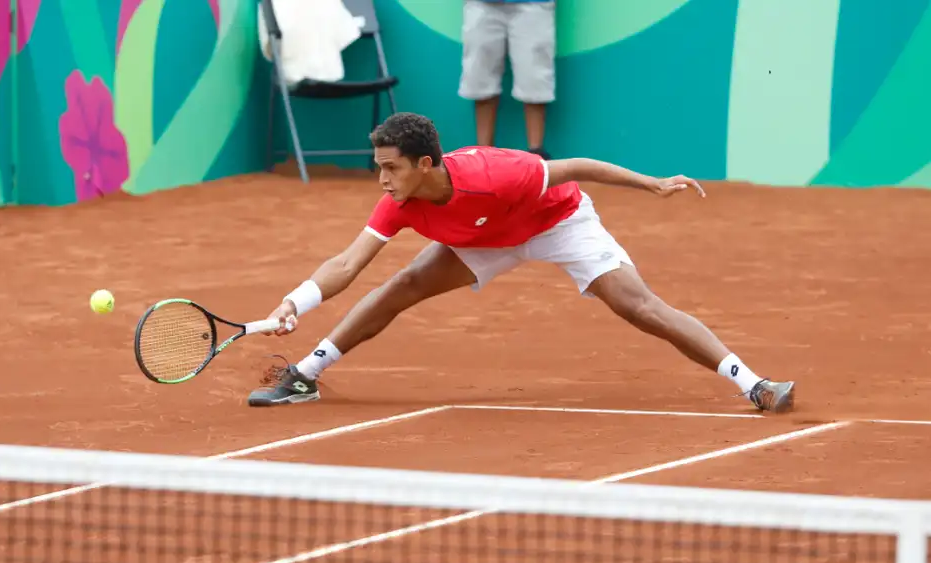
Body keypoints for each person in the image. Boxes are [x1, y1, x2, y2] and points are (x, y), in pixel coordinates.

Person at [248, 112, 795, 414]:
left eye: (391, 168)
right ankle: (305, 376)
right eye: (378, 167)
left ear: (426, 163)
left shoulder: (496, 174)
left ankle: (754, 384)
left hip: (557, 222)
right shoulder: (398, 202)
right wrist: (294, 302)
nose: (383, 179)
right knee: (404, 284)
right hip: (486, 238)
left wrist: (649, 184)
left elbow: (577, 166)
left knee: (639, 307)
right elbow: (348, 264)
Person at [459, 0, 555, 158]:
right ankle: (483, 156)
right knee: (480, 77)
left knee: (534, 76)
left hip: (534, 4)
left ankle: (537, 156)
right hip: (482, 4)